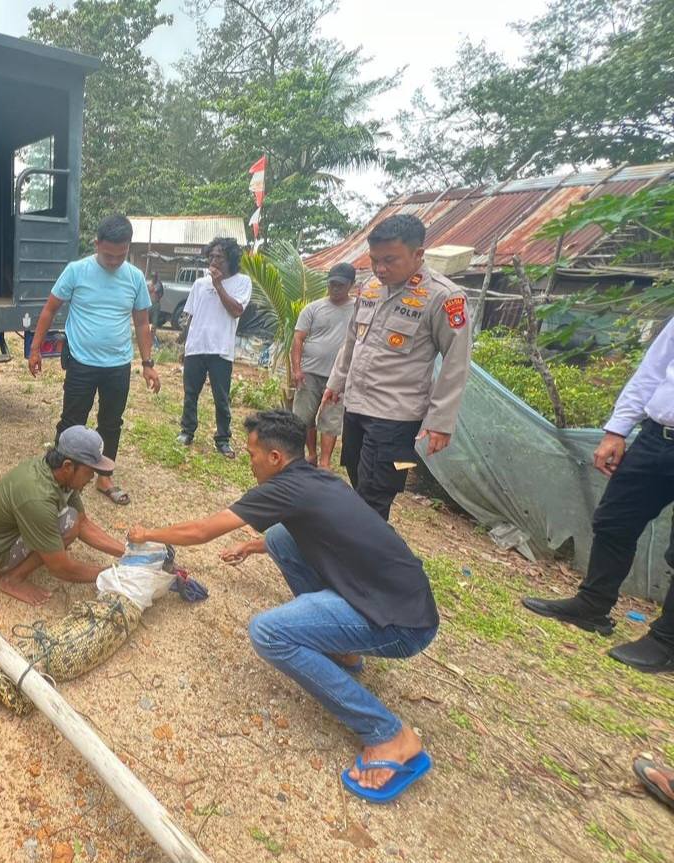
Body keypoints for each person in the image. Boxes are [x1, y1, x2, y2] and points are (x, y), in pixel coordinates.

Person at [129, 410, 439, 802]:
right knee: (277, 537)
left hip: (403, 625)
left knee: (268, 632)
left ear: (275, 458)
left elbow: (201, 531)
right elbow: (322, 530)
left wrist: (146, 533)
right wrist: (254, 544)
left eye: (253, 454)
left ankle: (389, 736)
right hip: (399, 596)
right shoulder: (314, 477)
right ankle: (341, 651)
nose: (250, 461)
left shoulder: (282, 488)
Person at [522, 317, 674, 673]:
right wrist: (617, 430)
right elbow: (652, 370)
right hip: (657, 436)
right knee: (614, 520)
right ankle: (593, 605)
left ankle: (667, 641)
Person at [323, 214, 472, 519]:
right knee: (358, 480)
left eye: (390, 260)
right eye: (375, 260)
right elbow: (352, 340)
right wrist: (335, 383)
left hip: (395, 417)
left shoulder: (444, 297)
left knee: (375, 497)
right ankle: (366, 549)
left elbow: (456, 361)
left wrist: (440, 421)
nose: (380, 269)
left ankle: (363, 559)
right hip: (357, 406)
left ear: (418, 254)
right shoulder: (371, 288)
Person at [28, 214, 160, 506]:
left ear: (128, 247)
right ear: (97, 243)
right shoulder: (77, 271)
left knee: (111, 422)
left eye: (121, 255)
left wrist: (148, 364)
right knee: (72, 421)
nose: (114, 261)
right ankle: (58, 475)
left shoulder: (135, 278)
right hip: (82, 361)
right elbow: (49, 310)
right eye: (108, 254)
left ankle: (104, 477)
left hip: (118, 364)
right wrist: (35, 349)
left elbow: (141, 323)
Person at [0, 425, 126, 606]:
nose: (92, 477)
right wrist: (114, 574)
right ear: (68, 466)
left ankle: (41, 551)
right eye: (89, 471)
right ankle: (12, 579)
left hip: (12, 533)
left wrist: (127, 552)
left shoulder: (59, 473)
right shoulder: (38, 497)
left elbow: (83, 523)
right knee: (67, 523)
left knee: (72, 519)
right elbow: (60, 568)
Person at [176, 237, 253, 458]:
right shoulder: (200, 284)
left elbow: (236, 310)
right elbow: (191, 316)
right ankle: (187, 431)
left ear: (231, 258)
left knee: (221, 396)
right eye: (211, 256)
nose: (214, 260)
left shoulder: (242, 282)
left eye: (219, 256)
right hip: (197, 346)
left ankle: (223, 439)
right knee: (191, 393)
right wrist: (185, 344)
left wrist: (219, 285)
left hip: (221, 349)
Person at [291, 262, 357, 468]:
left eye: (340, 285)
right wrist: (297, 370)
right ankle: (311, 454)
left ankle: (325, 462)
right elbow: (298, 339)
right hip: (310, 372)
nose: (335, 288)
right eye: (332, 284)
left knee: (330, 420)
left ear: (351, 285)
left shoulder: (359, 309)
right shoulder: (313, 308)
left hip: (338, 377)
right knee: (304, 416)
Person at [146, 272, 165, 347]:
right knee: (145, 321)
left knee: (154, 322)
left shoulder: (159, 284)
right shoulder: (149, 283)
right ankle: (146, 336)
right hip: (149, 304)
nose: (154, 278)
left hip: (156, 304)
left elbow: (159, 292)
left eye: (155, 277)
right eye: (152, 276)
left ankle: (152, 338)